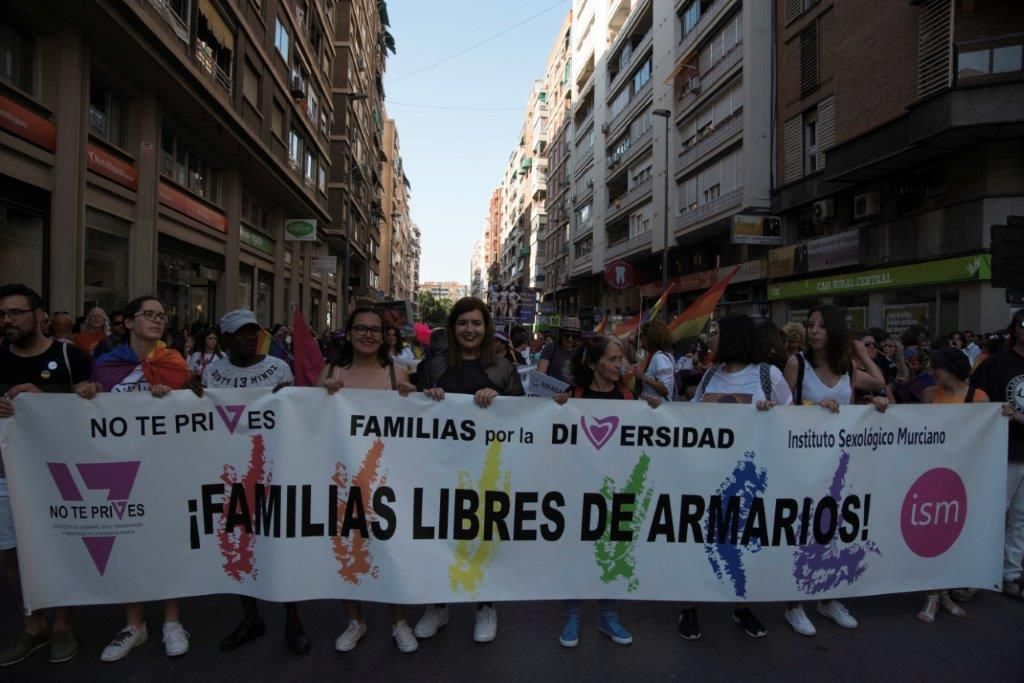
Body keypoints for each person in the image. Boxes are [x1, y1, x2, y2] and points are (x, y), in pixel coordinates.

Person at [74, 295, 192, 661]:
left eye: (162, 315)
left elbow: (190, 409)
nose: (157, 321)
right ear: (128, 322)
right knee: (127, 543)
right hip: (121, 467)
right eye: (149, 315)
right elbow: (95, 415)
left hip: (166, 466)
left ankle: (173, 621)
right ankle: (134, 625)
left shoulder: (174, 362)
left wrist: (170, 398)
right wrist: (86, 395)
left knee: (170, 542)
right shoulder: (107, 365)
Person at [414, 297, 525, 643]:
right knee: (438, 534)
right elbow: (411, 411)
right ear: (453, 327)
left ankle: (485, 606)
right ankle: (438, 605)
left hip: (487, 468)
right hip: (441, 466)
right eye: (463, 323)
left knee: (483, 535)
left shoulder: (504, 368)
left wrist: (501, 400)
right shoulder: (433, 365)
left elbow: (523, 416)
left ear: (486, 327)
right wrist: (426, 396)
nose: (469, 329)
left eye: (476, 323)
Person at [195, 310, 306, 653]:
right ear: (224, 338)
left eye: (251, 332)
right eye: (239, 333)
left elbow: (292, 414)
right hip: (230, 470)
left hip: (273, 466)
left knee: (279, 541)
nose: (247, 338)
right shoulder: (213, 372)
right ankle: (251, 617)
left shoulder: (278, 368)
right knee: (240, 544)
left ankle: (293, 619)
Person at [682, 314, 792, 641]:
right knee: (700, 541)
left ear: (733, 338)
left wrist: (772, 413)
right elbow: (691, 414)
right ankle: (690, 606)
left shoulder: (768, 375)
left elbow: (794, 418)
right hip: (708, 473)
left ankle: (741, 607)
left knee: (743, 543)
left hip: (750, 476)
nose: (711, 339)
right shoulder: (710, 376)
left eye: (717, 333)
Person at [316, 307, 419, 654]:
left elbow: (418, 427)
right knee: (349, 549)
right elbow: (311, 422)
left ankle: (399, 622)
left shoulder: (397, 372)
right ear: (348, 333)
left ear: (383, 336)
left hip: (389, 479)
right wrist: (323, 396)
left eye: (374, 330)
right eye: (360, 328)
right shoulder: (329, 371)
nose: (368, 335)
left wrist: (416, 397)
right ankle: (355, 621)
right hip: (342, 477)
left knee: (392, 551)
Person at [0, 284, 92, 667]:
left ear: (38, 316)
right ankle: (32, 624)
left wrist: (49, 401)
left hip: (57, 475)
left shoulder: (71, 357)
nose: (7, 320)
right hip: (6, 476)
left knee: (60, 547)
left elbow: (89, 412)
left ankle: (61, 625)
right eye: (3, 314)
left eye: (15, 313)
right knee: (11, 556)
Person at [781, 305, 886, 636]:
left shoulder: (848, 368)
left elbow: (879, 381)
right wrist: (814, 409)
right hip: (802, 464)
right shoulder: (796, 363)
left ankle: (828, 599)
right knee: (802, 533)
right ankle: (793, 604)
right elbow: (783, 412)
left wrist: (873, 396)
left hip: (840, 464)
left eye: (823, 326)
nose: (814, 331)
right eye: (811, 324)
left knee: (835, 534)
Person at [552, 335, 659, 648]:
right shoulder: (573, 396)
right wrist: (556, 409)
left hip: (617, 491)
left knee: (614, 552)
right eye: (612, 359)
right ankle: (572, 613)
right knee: (576, 552)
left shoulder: (629, 399)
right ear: (592, 362)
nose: (619, 365)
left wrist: (653, 411)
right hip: (577, 490)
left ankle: (607, 613)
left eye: (620, 359)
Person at [915, 346, 988, 622]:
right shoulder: (930, 395)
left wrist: (1001, 415)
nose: (932, 372)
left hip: (962, 477)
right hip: (932, 474)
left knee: (951, 536)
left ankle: (941, 594)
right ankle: (933, 596)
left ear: (953, 369)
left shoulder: (979, 399)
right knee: (932, 535)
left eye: (937, 368)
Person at [970, 309, 1024, 598]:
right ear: (1014, 329)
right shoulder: (996, 365)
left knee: (1020, 520)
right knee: (991, 515)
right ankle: (978, 572)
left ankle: (1011, 575)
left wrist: (1017, 416)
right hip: (1001, 454)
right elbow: (975, 401)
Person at [635, 319, 675, 401]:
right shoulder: (655, 356)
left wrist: (643, 377)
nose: (641, 339)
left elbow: (665, 389)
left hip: (658, 409)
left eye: (643, 335)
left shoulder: (660, 358)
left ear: (650, 338)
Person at [537, 318, 581, 385]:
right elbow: (540, 376)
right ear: (561, 334)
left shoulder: (580, 351)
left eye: (574, 336)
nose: (570, 339)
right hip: (552, 392)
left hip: (573, 393)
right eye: (567, 335)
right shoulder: (551, 348)